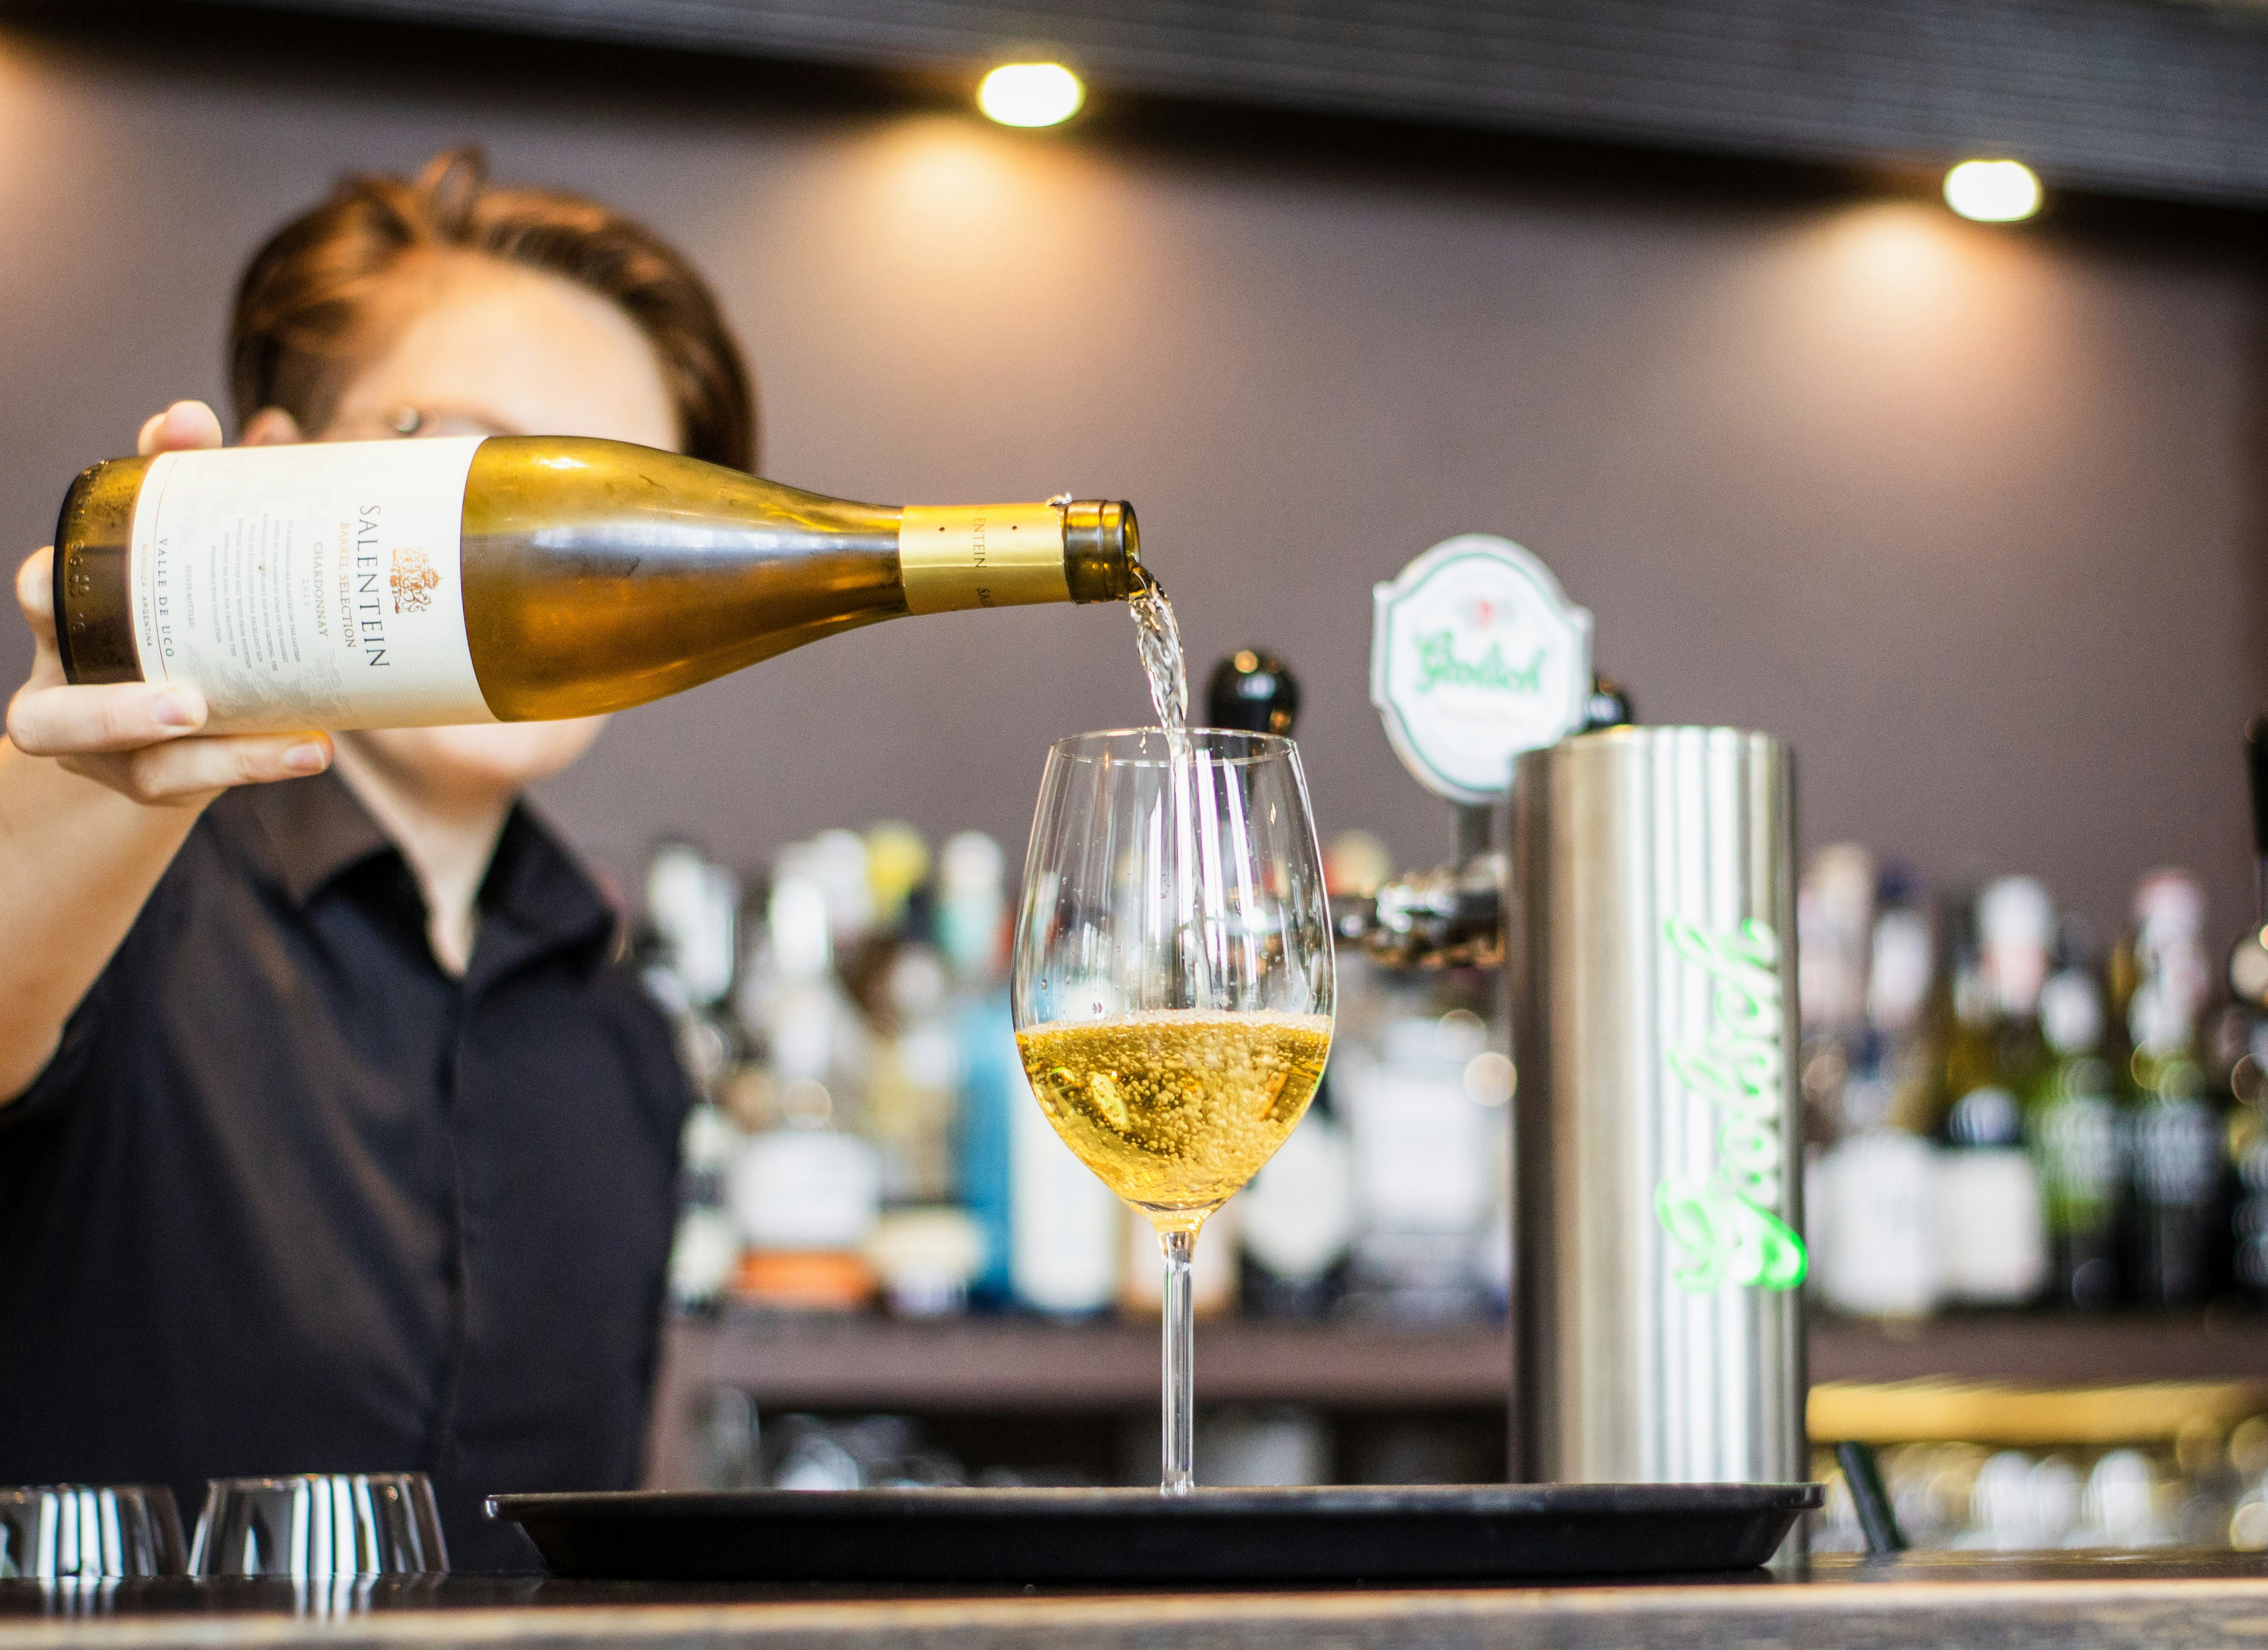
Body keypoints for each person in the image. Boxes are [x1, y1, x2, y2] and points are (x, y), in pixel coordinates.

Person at [0, 148, 751, 1569]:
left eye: (627, 496)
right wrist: (79, 788)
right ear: (277, 474)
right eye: (484, 455)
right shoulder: (122, 891)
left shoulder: (627, 1046)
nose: (565, 542)